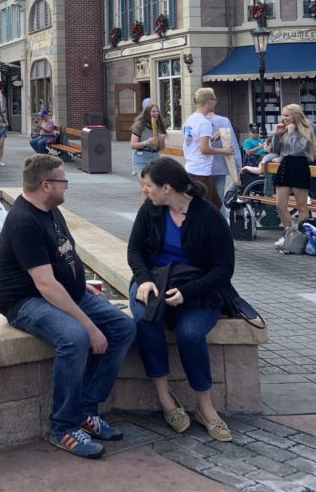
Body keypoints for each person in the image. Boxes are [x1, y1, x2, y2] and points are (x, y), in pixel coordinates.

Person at [0, 155, 135, 459]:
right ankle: (63, 426)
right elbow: (44, 284)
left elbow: (61, 256)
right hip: (25, 301)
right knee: (75, 338)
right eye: (63, 181)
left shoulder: (50, 210)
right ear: (46, 185)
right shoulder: (23, 221)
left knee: (123, 327)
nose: (66, 187)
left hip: (61, 292)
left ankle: (86, 409)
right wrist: (89, 326)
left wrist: (77, 282)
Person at [127, 157, 236, 442]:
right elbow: (135, 250)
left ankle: (206, 408)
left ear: (166, 187)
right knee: (146, 320)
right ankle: (166, 400)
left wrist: (188, 292)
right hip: (153, 281)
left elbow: (224, 270)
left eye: (149, 186)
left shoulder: (209, 216)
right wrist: (144, 279)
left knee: (190, 333)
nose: (145, 191)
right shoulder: (150, 211)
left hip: (198, 290)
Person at [267, 104, 316, 233]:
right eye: (283, 115)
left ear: (295, 116)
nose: (284, 118)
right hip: (285, 164)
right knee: (280, 205)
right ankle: (289, 233)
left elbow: (298, 149)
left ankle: (302, 235)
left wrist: (292, 131)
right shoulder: (283, 129)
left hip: (299, 164)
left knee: (301, 206)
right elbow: (275, 150)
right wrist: (276, 135)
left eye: (287, 115)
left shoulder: (306, 129)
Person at [181, 88, 231, 209]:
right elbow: (204, 149)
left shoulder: (189, 119)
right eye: (214, 99)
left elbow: (193, 143)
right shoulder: (204, 123)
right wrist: (223, 150)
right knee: (209, 207)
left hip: (191, 167)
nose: (216, 102)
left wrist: (211, 140)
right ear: (208, 101)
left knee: (215, 204)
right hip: (201, 171)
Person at [208, 109, 241, 216]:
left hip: (201, 168)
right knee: (218, 199)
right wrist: (237, 165)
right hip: (220, 166)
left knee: (204, 199)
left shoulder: (194, 120)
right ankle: (222, 227)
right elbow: (233, 144)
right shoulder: (223, 121)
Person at [130, 102, 167, 176]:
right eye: (153, 111)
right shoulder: (140, 126)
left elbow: (161, 148)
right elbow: (133, 145)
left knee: (153, 185)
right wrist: (146, 142)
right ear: (147, 113)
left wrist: (162, 140)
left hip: (155, 156)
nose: (156, 113)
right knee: (144, 183)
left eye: (157, 111)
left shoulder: (159, 126)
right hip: (141, 156)